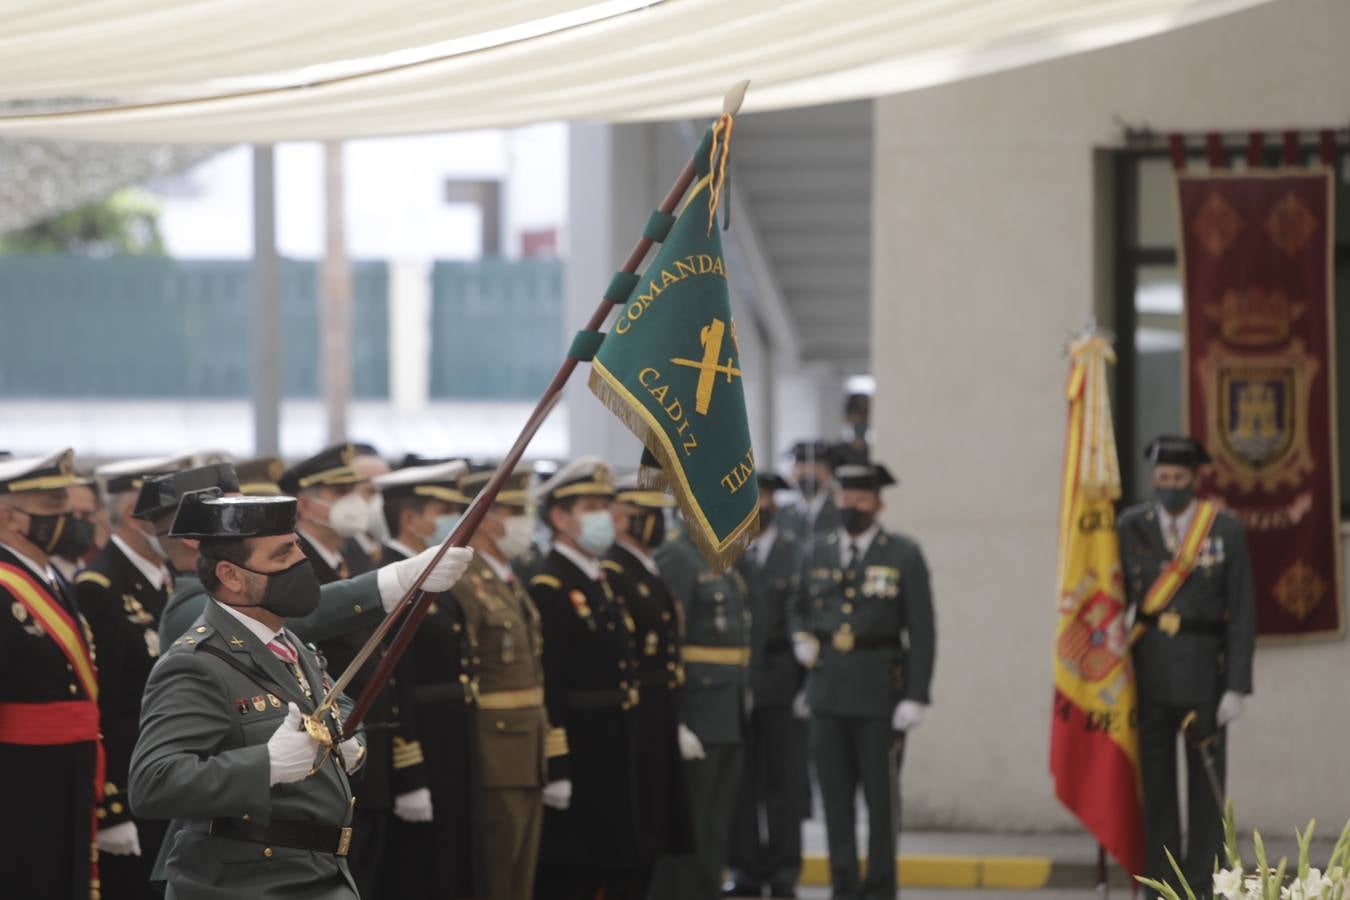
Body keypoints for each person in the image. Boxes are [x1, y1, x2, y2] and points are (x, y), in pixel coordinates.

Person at [128, 488, 373, 898]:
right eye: (281, 556)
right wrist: (266, 766)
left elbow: (335, 707)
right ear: (231, 577)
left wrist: (353, 743)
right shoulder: (197, 663)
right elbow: (153, 782)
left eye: (296, 548)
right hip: (242, 885)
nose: (300, 562)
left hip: (318, 874)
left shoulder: (288, 643)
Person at [280, 444, 459, 898]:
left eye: (354, 490)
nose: (354, 501)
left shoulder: (356, 561)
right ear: (304, 504)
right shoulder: (297, 569)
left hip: (368, 749)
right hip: (320, 756)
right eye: (339, 491)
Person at [1119, 436, 1255, 898]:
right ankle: (1162, 886)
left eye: (1177, 479)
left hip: (1204, 677)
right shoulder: (1130, 526)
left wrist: (1237, 684)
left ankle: (1204, 886)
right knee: (1156, 794)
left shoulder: (1224, 529)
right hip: (1149, 675)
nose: (1169, 487)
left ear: (1194, 480)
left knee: (1206, 798)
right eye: (1162, 479)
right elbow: (1112, 596)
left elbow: (1242, 611)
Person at [792, 462, 935, 900]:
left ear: (878, 504)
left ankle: (879, 889)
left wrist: (916, 695)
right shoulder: (816, 550)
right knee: (833, 804)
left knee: (880, 805)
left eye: (861, 498)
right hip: (827, 692)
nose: (852, 505)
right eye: (846, 497)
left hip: (879, 694)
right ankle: (844, 887)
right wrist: (800, 636)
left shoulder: (903, 553)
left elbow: (923, 630)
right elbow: (797, 606)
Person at [76, 453, 193, 898]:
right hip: (132, 784)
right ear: (134, 514)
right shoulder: (100, 587)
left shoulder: (168, 579)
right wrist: (110, 805)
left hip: (174, 779)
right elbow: (97, 703)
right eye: (183, 514)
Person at [527, 457, 645, 900]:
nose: (604, 516)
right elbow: (550, 682)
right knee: (573, 869)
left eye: (605, 504)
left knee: (611, 861)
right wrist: (557, 763)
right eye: (591, 506)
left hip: (612, 742)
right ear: (560, 517)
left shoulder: (597, 577)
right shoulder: (550, 583)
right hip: (580, 747)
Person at [371, 459, 487, 898]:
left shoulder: (432, 573)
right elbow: (395, 679)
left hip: (452, 738)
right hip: (424, 740)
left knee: (454, 856)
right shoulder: (393, 577)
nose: (450, 523)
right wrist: (409, 767)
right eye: (441, 511)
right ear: (410, 518)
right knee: (424, 866)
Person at [0, 450, 102, 899]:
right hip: (19, 778)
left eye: (64, 505)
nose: (64, 517)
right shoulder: (7, 585)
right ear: (10, 517)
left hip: (69, 767)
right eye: (50, 509)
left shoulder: (48, 577)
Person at [450, 464, 549, 900]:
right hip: (496, 746)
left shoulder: (507, 578)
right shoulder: (467, 581)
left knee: (520, 870)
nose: (526, 522)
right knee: (496, 866)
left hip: (527, 745)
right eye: (515, 510)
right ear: (487, 518)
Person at [651, 511, 752, 900]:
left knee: (715, 825)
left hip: (727, 710)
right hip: (697, 710)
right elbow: (667, 642)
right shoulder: (678, 555)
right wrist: (675, 718)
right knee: (692, 823)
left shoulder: (717, 556)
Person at [602, 474, 694, 891]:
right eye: (648, 515)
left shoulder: (646, 568)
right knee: (640, 823)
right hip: (638, 713)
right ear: (621, 520)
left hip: (659, 710)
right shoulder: (615, 570)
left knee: (657, 821)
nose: (658, 523)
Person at [727, 472, 808, 898]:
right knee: (740, 784)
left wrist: (805, 687)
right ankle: (744, 870)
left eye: (766, 497)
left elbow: (807, 621)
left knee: (783, 785)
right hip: (737, 686)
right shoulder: (727, 553)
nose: (761, 504)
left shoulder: (798, 555)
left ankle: (782, 871)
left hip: (782, 687)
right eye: (753, 497)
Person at [777, 441, 840, 543]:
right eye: (801, 467)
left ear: (828, 473)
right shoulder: (782, 514)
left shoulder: (839, 510)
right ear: (792, 473)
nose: (808, 471)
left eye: (815, 467)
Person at [50, 479, 106, 583]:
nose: (77, 522)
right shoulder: (43, 575)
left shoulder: (101, 571)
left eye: (86, 515)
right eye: (69, 514)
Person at [348, 443, 391, 567]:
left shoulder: (388, 542)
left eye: (385, 492)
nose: (380, 500)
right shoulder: (339, 547)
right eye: (372, 491)